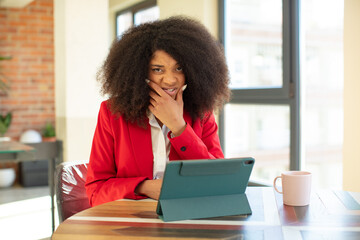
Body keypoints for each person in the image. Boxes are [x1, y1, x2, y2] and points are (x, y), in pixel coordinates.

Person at [85, 16, 231, 207]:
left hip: (187, 218)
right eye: (158, 69)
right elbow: (95, 192)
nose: (170, 80)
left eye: (178, 68)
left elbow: (217, 181)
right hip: (130, 223)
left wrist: (179, 127)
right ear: (139, 71)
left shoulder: (202, 113)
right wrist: (143, 187)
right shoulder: (112, 113)